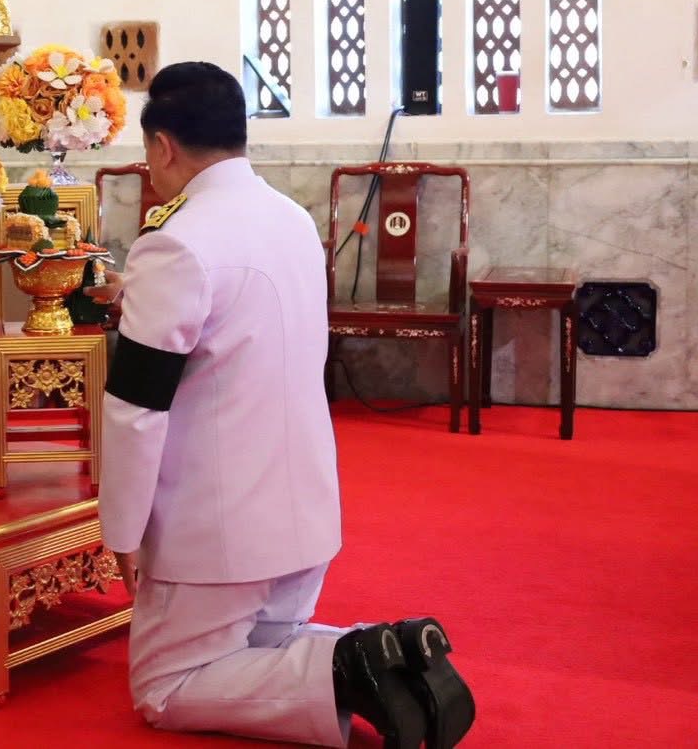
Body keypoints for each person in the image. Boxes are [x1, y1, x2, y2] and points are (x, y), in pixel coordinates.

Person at [89, 62, 474, 748]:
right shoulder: (290, 218)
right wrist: (136, 291)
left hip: (217, 535)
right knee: (262, 646)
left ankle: (345, 663)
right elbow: (240, 321)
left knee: (163, 685)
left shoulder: (173, 240)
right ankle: (388, 652)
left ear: (162, 147)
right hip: (302, 522)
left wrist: (120, 529)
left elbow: (135, 408)